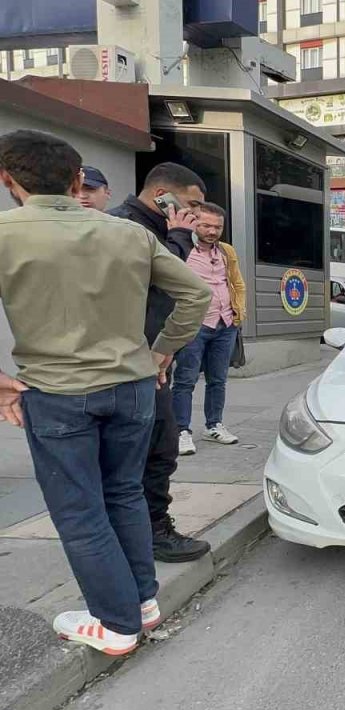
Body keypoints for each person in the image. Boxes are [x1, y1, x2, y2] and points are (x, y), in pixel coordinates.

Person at [0, 130, 210, 654]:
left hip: (57, 390)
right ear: (76, 181)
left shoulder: (5, 232)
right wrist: (161, 353)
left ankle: (116, 626)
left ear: (8, 181)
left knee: (79, 509)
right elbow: (196, 293)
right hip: (133, 387)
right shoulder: (127, 234)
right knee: (123, 494)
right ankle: (142, 602)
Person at [108, 162, 211, 562]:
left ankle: (149, 530)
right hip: (130, 362)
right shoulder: (124, 227)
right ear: (161, 195)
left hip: (153, 358)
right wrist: (181, 237)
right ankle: (146, 535)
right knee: (143, 452)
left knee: (160, 448)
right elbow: (157, 280)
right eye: (192, 203)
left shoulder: (156, 229)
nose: (197, 214)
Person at [172, 202, 246, 456]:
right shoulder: (182, 249)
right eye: (206, 225)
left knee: (218, 380)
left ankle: (214, 424)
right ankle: (181, 430)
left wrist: (239, 315)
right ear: (194, 223)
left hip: (225, 323)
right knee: (185, 379)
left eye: (218, 226)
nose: (212, 231)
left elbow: (237, 282)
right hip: (194, 323)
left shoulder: (226, 251)